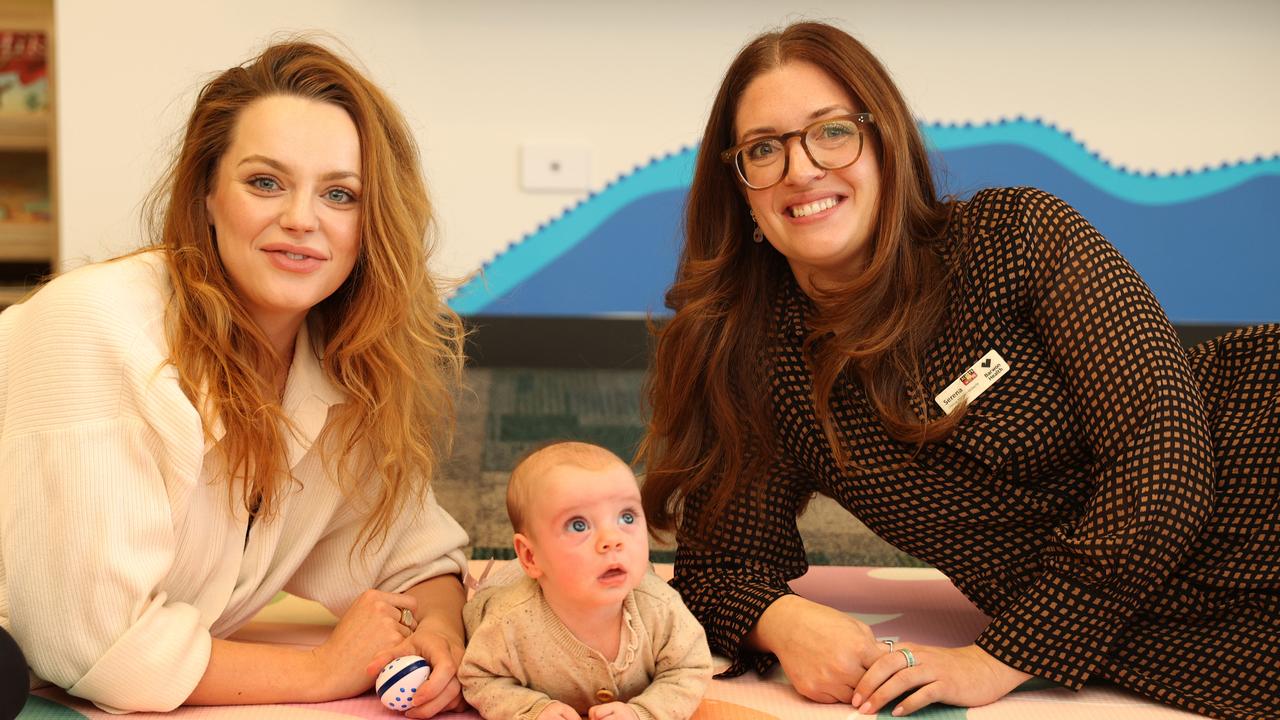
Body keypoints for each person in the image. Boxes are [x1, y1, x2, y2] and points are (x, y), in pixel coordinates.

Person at [638, 21, 1279, 720]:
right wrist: (785, 621)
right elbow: (717, 566)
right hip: (1166, 621)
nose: (800, 169)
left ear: (884, 146)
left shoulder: (1017, 234)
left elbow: (1168, 457)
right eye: (764, 149)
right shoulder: (761, 363)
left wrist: (998, 658)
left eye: (831, 132)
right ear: (744, 196)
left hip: (1249, 465)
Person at [0, 41, 472, 716]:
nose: (302, 219)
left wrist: (437, 634)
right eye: (265, 183)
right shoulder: (96, 325)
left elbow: (418, 554)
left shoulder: (334, 361)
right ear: (207, 195)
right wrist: (323, 671)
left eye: (339, 194)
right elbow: (94, 647)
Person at [460, 442, 712, 720]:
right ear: (531, 556)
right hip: (512, 585)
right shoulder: (507, 622)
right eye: (578, 525)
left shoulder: (661, 607)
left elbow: (689, 668)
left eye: (626, 517)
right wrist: (531, 709)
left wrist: (643, 713)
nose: (612, 539)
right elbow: (478, 677)